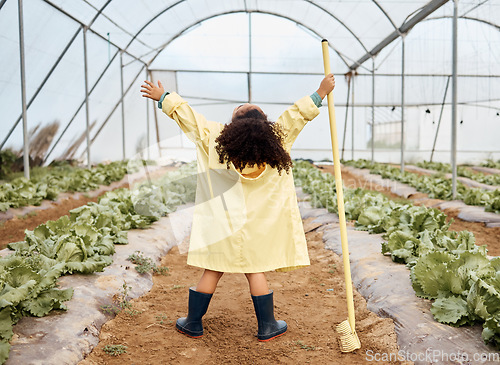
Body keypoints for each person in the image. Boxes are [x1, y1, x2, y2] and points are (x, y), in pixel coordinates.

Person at [140, 73, 335, 341]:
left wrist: (163, 97)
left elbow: (187, 116)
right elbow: (296, 116)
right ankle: (267, 325)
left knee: (213, 267)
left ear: (232, 125)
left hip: (222, 223)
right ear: (264, 125)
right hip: (257, 226)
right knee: (255, 268)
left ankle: (193, 322)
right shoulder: (276, 140)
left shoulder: (213, 138)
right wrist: (321, 92)